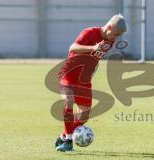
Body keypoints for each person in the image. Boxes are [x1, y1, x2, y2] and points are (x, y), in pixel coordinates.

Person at [54, 14, 127, 152]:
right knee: (68, 101)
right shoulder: (89, 32)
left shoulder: (109, 42)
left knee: (84, 115)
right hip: (68, 74)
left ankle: (63, 136)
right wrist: (93, 48)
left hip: (84, 81)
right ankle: (69, 142)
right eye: (115, 34)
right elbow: (73, 47)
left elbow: (94, 60)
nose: (115, 38)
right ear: (110, 27)